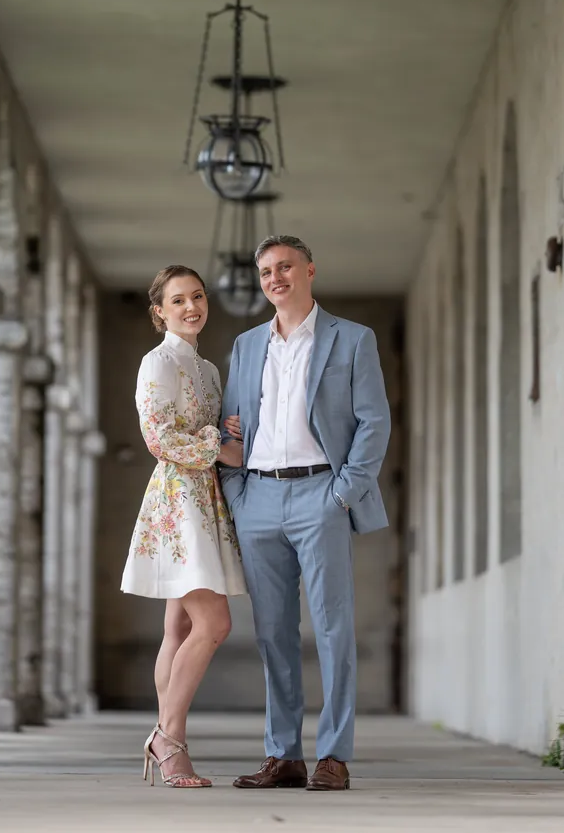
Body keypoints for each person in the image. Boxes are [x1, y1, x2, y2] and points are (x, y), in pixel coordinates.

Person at [219, 236, 391, 792]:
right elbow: (229, 428)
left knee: (334, 629)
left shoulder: (352, 339)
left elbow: (374, 422)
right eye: (266, 270)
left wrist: (343, 493)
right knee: (273, 633)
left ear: (310, 270)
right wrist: (237, 490)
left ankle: (335, 755)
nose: (275, 277)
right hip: (259, 499)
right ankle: (284, 755)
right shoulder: (246, 345)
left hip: (322, 494)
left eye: (285, 266)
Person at [121, 265, 246, 789]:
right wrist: (218, 443)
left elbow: (210, 428)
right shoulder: (158, 361)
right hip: (177, 502)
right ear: (160, 312)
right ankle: (168, 738)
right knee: (214, 624)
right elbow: (157, 437)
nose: (191, 307)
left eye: (197, 297)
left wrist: (225, 431)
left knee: (177, 629)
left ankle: (168, 738)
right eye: (178, 301)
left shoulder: (209, 370)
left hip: (205, 499)